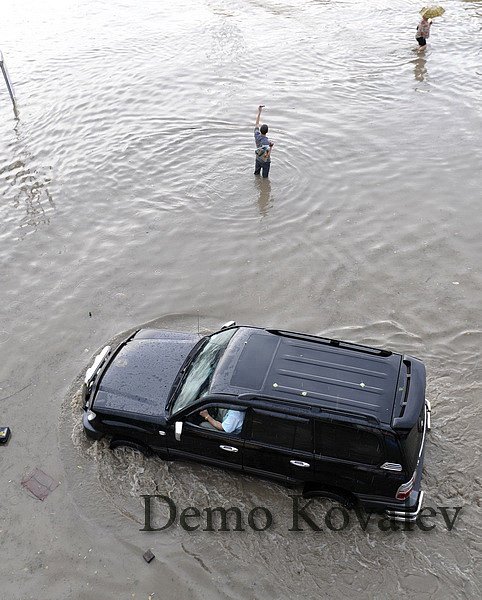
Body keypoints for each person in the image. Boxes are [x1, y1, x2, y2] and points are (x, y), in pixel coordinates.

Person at [254, 105, 274, 178]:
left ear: (260, 130)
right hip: (265, 162)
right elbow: (267, 155)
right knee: (265, 178)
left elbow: (256, 124)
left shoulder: (256, 135)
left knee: (256, 174)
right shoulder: (267, 142)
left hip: (258, 158)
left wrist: (259, 112)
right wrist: (271, 146)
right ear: (267, 132)